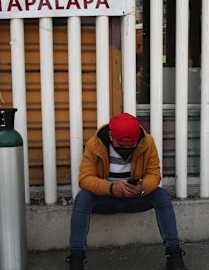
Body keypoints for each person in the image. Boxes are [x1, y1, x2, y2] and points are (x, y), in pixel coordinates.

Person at [65, 113, 187, 270]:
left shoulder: (147, 142)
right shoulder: (95, 144)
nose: (127, 150)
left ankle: (174, 255)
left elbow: (154, 174)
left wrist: (142, 188)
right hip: (105, 199)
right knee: (82, 197)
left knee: (161, 195)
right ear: (110, 136)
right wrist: (110, 188)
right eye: (121, 146)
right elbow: (85, 178)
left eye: (131, 146)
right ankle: (76, 259)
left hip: (135, 198)